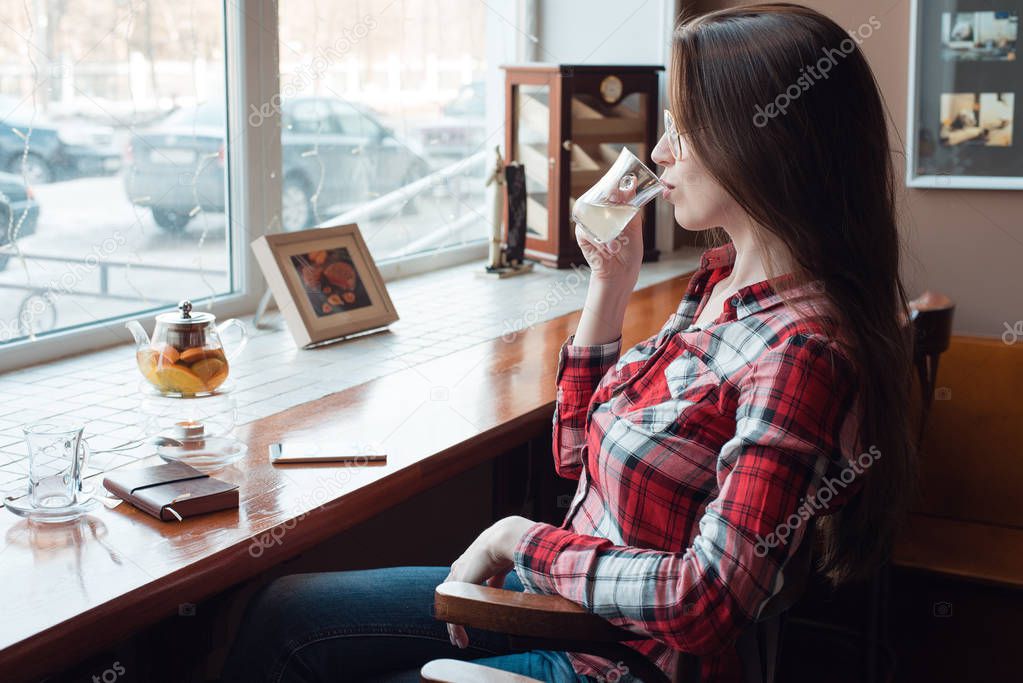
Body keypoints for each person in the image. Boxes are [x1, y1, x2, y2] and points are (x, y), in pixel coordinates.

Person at [222, 4, 916, 682]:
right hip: (563, 592)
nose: (658, 151)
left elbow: (707, 600)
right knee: (281, 611)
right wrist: (609, 284)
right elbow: (575, 452)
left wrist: (514, 537)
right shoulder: (721, 280)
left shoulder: (800, 352)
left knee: (290, 640)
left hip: (611, 652)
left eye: (684, 127)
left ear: (765, 142)